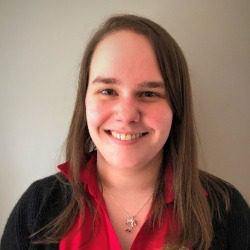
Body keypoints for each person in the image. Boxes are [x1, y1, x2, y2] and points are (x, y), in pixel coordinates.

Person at [1, 14, 249, 250]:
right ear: (84, 101)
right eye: (108, 91)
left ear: (176, 106)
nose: (127, 115)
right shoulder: (37, 207)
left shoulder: (227, 210)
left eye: (149, 94)